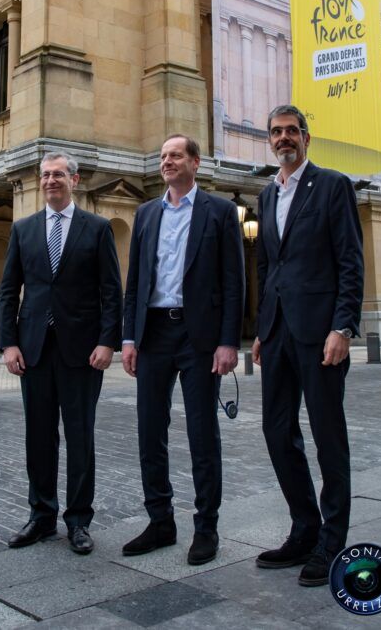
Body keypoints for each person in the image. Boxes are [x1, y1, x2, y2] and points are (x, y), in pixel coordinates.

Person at [252, 104, 364, 587]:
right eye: (276, 132)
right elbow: (267, 267)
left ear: (306, 137)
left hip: (321, 334)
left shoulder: (332, 186)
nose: (284, 138)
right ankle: (304, 528)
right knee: (277, 431)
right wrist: (262, 328)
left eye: (291, 131)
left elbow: (350, 261)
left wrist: (344, 327)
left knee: (327, 435)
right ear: (270, 140)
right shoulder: (265, 194)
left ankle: (332, 541)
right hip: (278, 331)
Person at [122, 134, 245, 566]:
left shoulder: (220, 211)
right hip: (154, 334)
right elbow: (135, 283)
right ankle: (160, 521)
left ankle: (206, 527)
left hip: (200, 338)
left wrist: (228, 341)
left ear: (195, 162)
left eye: (175, 155)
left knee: (201, 433)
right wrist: (129, 338)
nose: (167, 161)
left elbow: (234, 282)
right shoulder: (146, 213)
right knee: (149, 430)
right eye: (163, 156)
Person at [0, 151, 123, 555]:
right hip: (33, 349)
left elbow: (111, 291)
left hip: (83, 352)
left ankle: (79, 520)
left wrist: (107, 341)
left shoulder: (97, 228)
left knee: (80, 435)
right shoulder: (23, 229)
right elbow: (8, 290)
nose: (51, 180)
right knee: (39, 436)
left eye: (58, 175)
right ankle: (41, 516)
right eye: (46, 175)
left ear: (75, 180)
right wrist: (9, 343)